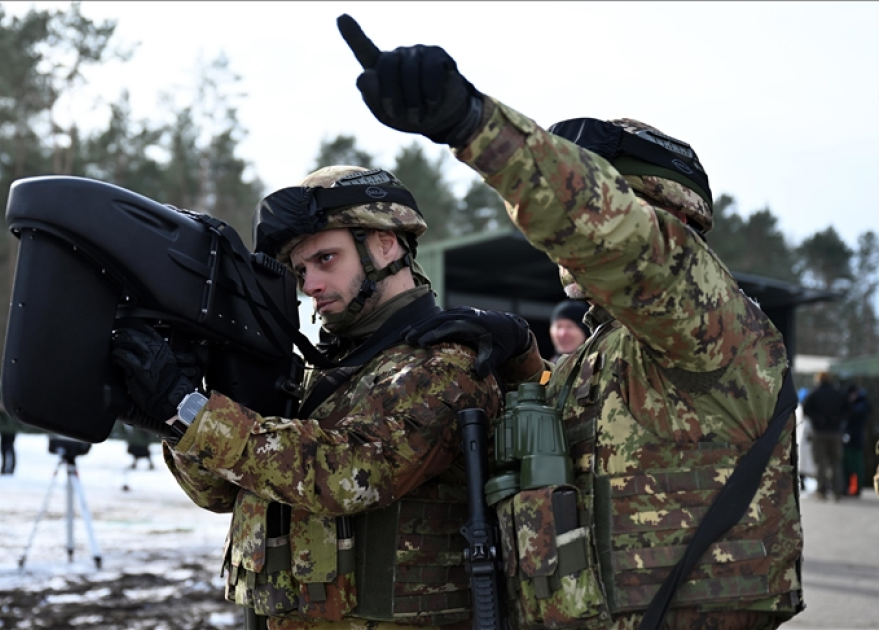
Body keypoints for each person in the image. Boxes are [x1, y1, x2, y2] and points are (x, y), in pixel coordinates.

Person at [338, 15, 803, 629]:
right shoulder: (605, 352)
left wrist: (473, 124)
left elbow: (618, 237)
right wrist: (524, 361)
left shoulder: (711, 325)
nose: (562, 245)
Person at [110, 165, 542, 629]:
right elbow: (220, 493)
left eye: (326, 259)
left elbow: (354, 475)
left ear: (385, 244)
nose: (309, 284)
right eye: (300, 270)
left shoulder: (444, 365)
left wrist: (194, 414)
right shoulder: (317, 374)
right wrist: (175, 419)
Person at [802, 371, 847, 501]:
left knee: (820, 463)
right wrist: (838, 419)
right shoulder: (838, 394)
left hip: (819, 432)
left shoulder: (814, 394)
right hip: (835, 432)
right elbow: (848, 409)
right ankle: (837, 491)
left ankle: (821, 491)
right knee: (835, 462)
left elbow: (805, 409)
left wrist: (818, 419)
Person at [842, 384, 871, 497]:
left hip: (856, 440)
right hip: (847, 439)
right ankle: (847, 488)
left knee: (856, 466)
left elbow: (856, 414)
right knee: (846, 466)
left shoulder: (862, 405)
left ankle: (856, 489)